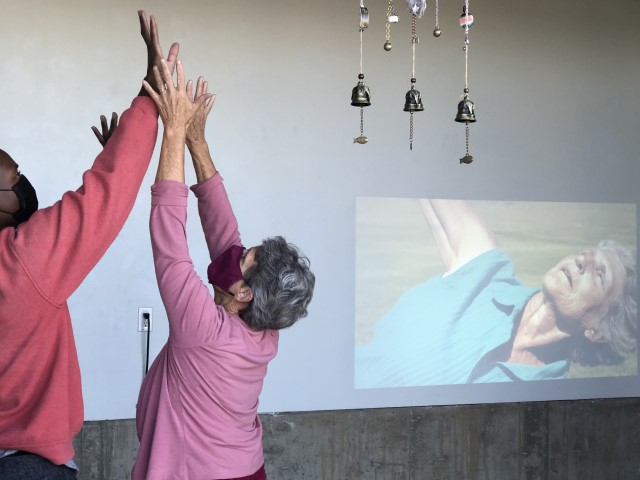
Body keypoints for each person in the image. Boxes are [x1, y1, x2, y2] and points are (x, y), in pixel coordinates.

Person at [0, 11, 179, 479]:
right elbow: (105, 195)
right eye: (13, 179)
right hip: (26, 466)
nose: (22, 185)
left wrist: (112, 150)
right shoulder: (22, 260)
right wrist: (149, 95)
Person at [132, 61, 315, 480]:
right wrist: (197, 141)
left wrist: (174, 131)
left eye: (245, 255)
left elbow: (170, 247)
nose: (235, 248)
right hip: (246, 469)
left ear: (244, 292)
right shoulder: (263, 332)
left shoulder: (203, 330)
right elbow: (222, 227)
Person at [355, 199, 637, 387]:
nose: (582, 260)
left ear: (598, 332)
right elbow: (431, 176)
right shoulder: (487, 271)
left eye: (599, 275)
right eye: (585, 254)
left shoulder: (545, 396)